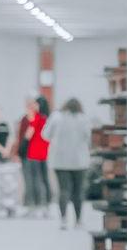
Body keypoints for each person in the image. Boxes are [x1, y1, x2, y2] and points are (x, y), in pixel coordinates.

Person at [42, 97, 93, 229]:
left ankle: (63, 219)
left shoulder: (56, 117)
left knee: (63, 190)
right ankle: (78, 220)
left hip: (60, 161)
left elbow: (45, 134)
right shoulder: (84, 119)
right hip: (79, 161)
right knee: (78, 191)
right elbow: (89, 137)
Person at [23, 96, 52, 217]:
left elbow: (28, 135)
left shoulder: (37, 118)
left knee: (34, 180)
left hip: (33, 153)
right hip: (44, 153)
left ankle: (34, 206)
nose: (33, 106)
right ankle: (46, 206)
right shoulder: (49, 119)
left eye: (35, 104)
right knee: (44, 180)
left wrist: (21, 148)